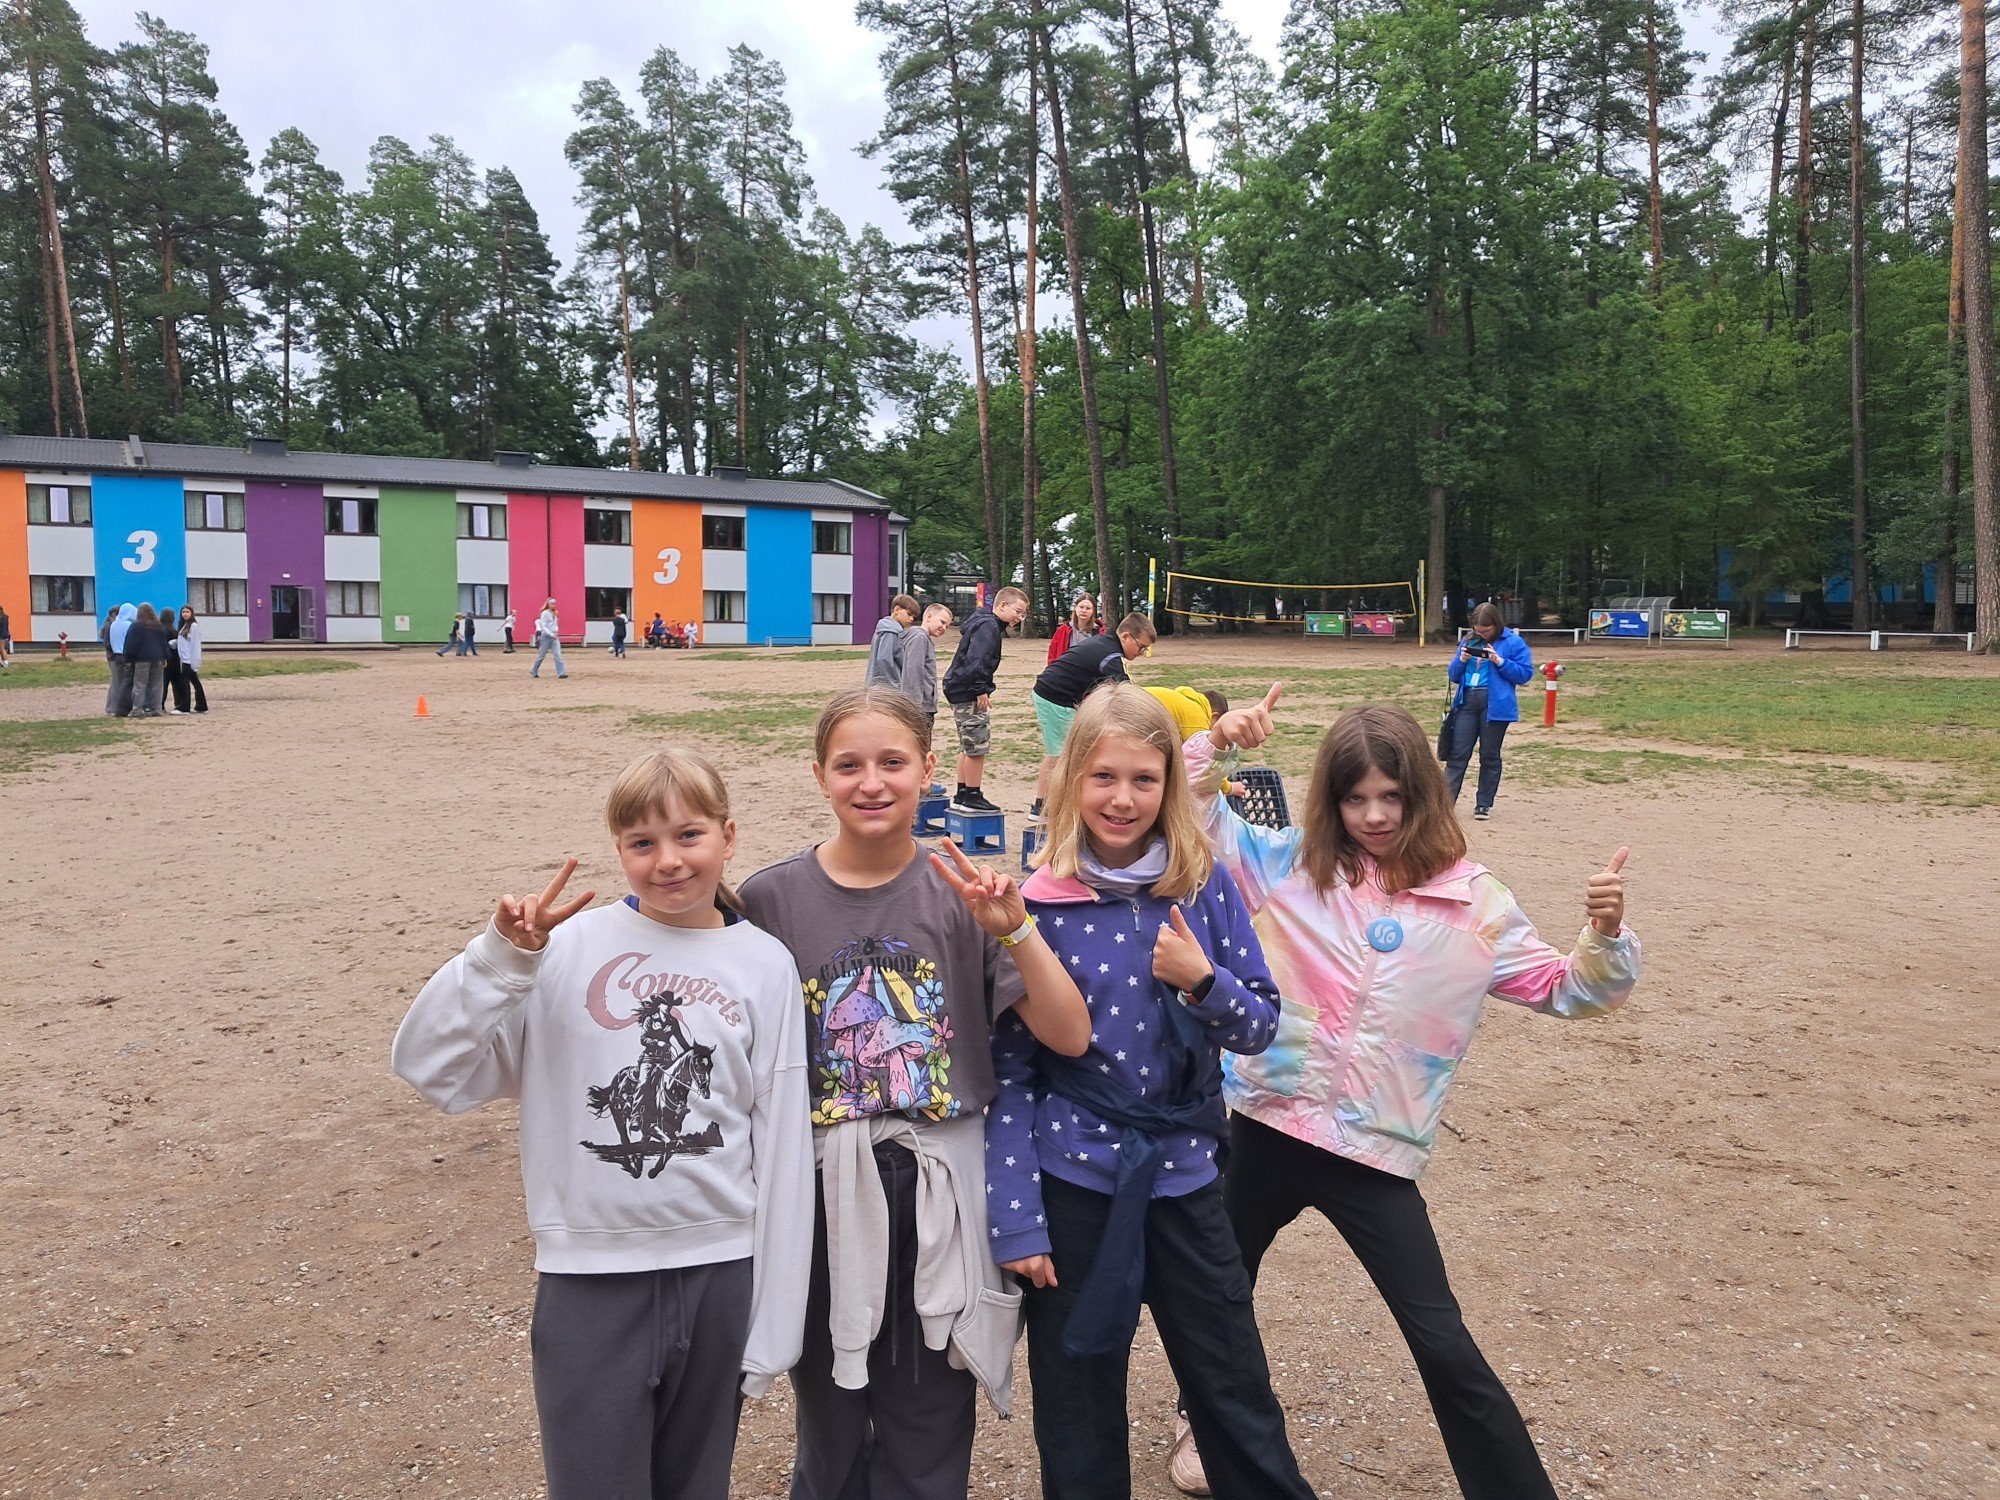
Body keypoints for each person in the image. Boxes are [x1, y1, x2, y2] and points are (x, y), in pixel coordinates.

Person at [1165, 688, 1639, 1500]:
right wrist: (1214, 744)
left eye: (1391, 796)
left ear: (1422, 794)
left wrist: (1605, 936)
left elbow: (1572, 990)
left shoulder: (1475, 904)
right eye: (1355, 799)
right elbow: (1187, 817)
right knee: (1215, 1295)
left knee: (1441, 1339)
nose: (1375, 816)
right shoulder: (1286, 867)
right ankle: (1203, 1423)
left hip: (1372, 1152)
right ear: (1332, 800)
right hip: (1265, 1124)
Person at [392, 749, 815, 1500]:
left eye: (689, 835)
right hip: (589, 1278)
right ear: (618, 849)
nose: (668, 861)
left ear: (728, 836)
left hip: (719, 1274)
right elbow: (430, 1068)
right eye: (642, 842)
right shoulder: (563, 951)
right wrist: (499, 961)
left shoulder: (764, 963)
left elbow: (782, 1139)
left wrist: (777, 1318)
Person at [735, 685, 1091, 1500]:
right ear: (819, 775)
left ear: (928, 769)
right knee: (829, 1411)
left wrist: (1016, 929)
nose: (871, 783)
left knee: (930, 1411)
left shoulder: (963, 893)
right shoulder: (768, 902)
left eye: (892, 762)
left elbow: (1068, 1033)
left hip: (938, 1190)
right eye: (848, 765)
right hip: (821, 1190)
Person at [988, 684, 1316, 1500]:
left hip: (1186, 1175)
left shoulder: (1204, 889)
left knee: (1231, 1378)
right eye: (1103, 777)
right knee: (1076, 1393)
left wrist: (1204, 982)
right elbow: (1012, 1074)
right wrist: (1016, 1217)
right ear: (1071, 780)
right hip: (1074, 1181)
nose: (1123, 798)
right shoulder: (1037, 908)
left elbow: (1259, 1025)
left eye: (1144, 779)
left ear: (1170, 785)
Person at [1029, 611, 1157, 819]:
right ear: (1126, 637)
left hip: (1059, 696)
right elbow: (1126, 693)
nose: (1142, 652)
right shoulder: (1110, 656)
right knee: (1063, 755)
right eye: (1141, 646)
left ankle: (1048, 804)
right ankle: (1043, 807)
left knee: (1065, 752)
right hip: (1054, 697)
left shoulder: (1106, 645)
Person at [940, 585, 1029, 814]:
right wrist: (980, 689)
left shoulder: (983, 622)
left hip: (959, 688)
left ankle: (962, 794)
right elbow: (976, 660)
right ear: (1003, 605)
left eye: (1023, 614)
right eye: (1018, 611)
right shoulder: (989, 627)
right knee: (977, 746)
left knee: (967, 744)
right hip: (968, 690)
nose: (1020, 617)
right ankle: (972, 795)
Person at [1444, 602, 1533, 821]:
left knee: (1489, 755)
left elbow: (1524, 674)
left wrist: (1500, 661)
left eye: (1486, 631)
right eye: (1478, 630)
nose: (1481, 634)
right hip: (1466, 703)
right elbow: (1454, 675)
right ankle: (1444, 805)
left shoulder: (1513, 642)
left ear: (1496, 625)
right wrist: (1461, 660)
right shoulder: (1468, 640)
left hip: (1495, 706)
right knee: (1457, 755)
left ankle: (1483, 804)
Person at [894, 602, 952, 732]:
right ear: (929, 617)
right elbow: (913, 672)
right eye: (942, 622)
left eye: (947, 626)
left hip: (923, 706)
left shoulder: (923, 638)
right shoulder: (919, 638)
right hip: (919, 709)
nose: (944, 628)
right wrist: (915, 708)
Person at [124, 604, 171, 717]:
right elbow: (163, 643)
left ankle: (137, 709)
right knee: (157, 684)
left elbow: (131, 644)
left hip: (142, 659)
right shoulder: (158, 626)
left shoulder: (136, 626)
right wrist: (165, 656)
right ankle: (156, 709)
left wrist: (128, 658)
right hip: (158, 658)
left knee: (140, 684)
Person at [865, 594, 920, 687]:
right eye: (909, 614)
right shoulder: (890, 631)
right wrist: (895, 685)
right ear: (896, 609)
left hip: (878, 686)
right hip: (886, 689)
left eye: (913, 617)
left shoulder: (886, 629)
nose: (911, 619)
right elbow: (884, 659)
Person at [1045, 592, 1100, 664]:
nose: (1084, 611)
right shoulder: (1063, 630)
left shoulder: (1100, 632)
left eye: (1088, 608)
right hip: (1065, 669)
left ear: (1093, 610)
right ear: (1075, 608)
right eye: (1081, 607)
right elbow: (1052, 654)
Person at [174, 606, 207, 714]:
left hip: (189, 660)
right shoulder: (184, 626)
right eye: (183, 612)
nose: (185, 614)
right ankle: (201, 705)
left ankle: (185, 706)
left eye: (187, 612)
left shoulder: (193, 626)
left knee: (185, 683)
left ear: (192, 613)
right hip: (184, 659)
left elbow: (195, 644)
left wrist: (195, 661)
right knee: (195, 681)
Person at [104, 604, 135, 717]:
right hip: (123, 655)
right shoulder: (127, 624)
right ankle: (119, 707)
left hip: (114, 655)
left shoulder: (113, 624)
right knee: (124, 683)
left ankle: (112, 707)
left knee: (116, 681)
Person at [531, 599, 568, 679]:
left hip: (554, 636)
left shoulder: (555, 613)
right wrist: (550, 634)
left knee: (558, 654)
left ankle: (561, 673)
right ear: (548, 604)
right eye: (552, 604)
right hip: (546, 637)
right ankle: (534, 670)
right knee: (541, 655)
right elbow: (544, 626)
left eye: (554, 604)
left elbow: (555, 624)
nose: (553, 605)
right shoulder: (544, 613)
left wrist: (556, 631)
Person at [1, 599, 14, 667]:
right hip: (5, 634)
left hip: (1, 635)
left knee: (1, 648)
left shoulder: (2, 618)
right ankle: (4, 662)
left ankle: (6, 662)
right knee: (1, 649)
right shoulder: (5, 617)